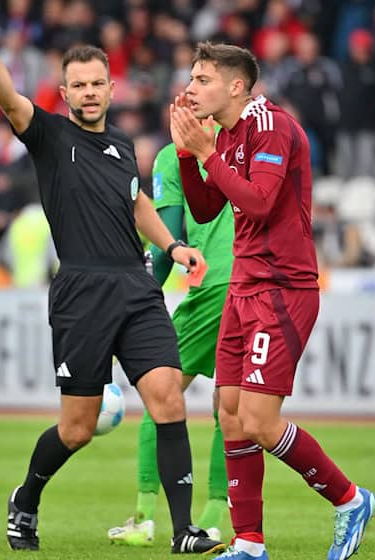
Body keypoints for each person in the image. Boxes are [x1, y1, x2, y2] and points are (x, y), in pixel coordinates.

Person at [0, 1, 224, 554]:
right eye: (78, 84)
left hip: (136, 286)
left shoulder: (124, 145)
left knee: (168, 399)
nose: (89, 91)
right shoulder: (51, 137)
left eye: (97, 82)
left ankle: (183, 534)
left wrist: (173, 246)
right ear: (64, 91)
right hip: (82, 291)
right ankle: (25, 500)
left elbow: (136, 205)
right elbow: (8, 98)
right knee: (78, 428)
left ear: (110, 86)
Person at [169, 42, 375, 560]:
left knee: (261, 421)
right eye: (192, 79)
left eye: (201, 79)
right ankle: (249, 543)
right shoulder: (230, 133)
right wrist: (185, 151)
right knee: (230, 412)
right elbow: (206, 205)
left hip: (283, 288)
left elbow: (260, 204)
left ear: (235, 86)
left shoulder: (271, 127)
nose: (190, 88)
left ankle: (351, 500)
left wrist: (205, 154)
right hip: (244, 285)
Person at [107, 135, 234, 546]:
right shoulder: (245, 140)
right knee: (229, 408)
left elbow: (167, 243)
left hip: (214, 286)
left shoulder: (171, 156)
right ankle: (215, 519)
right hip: (258, 285)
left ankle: (145, 520)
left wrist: (133, 306)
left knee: (161, 394)